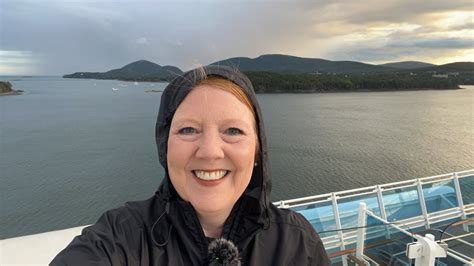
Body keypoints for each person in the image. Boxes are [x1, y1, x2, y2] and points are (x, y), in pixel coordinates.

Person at [51, 65, 330, 265]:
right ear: (165, 146)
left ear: (258, 150)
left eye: (233, 131)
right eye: (187, 130)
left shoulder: (296, 242)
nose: (209, 151)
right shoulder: (121, 237)